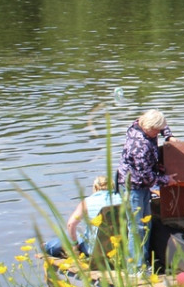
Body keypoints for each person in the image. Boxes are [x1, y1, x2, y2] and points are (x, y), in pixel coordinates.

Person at [116, 109, 176, 266]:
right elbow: (147, 178)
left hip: (141, 185)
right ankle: (135, 267)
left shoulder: (141, 123)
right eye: (155, 130)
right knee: (137, 227)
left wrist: (169, 135)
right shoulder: (140, 145)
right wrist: (166, 180)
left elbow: (161, 125)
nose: (157, 133)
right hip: (133, 186)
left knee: (146, 223)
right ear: (148, 127)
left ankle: (143, 259)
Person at [44, 176, 121, 258]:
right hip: (119, 247)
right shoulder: (123, 199)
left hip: (93, 250)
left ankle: (47, 247)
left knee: (67, 235)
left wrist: (75, 245)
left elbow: (71, 224)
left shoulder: (88, 202)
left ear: (95, 187)